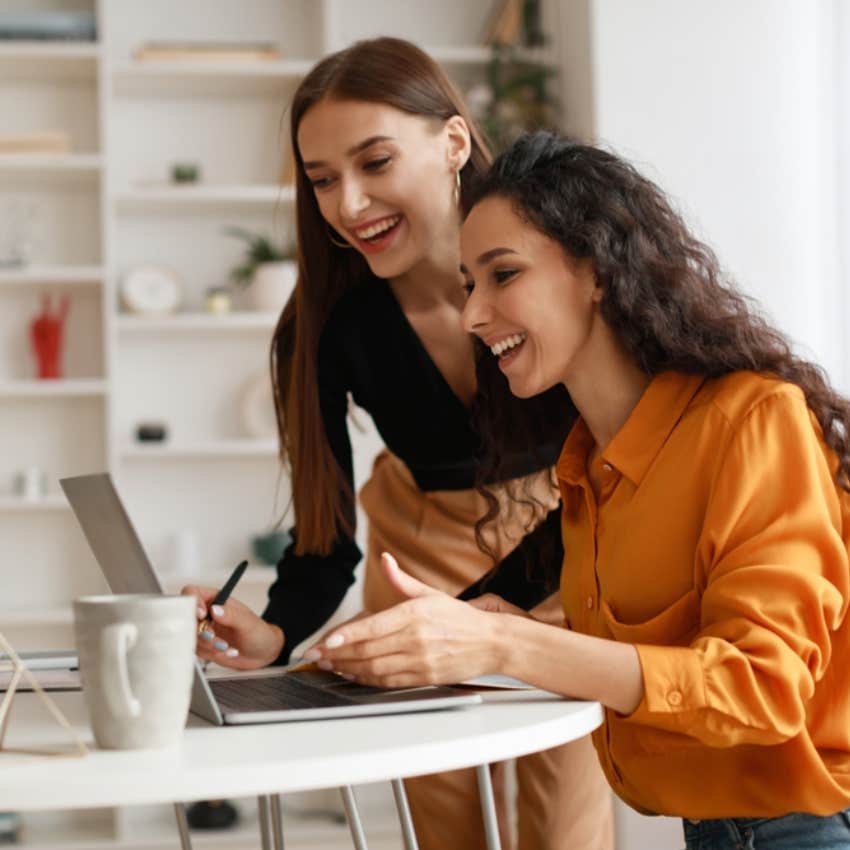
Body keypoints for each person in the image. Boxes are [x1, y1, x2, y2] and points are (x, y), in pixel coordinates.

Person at [304, 131, 850, 850]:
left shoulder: (751, 419)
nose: (472, 315)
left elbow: (762, 688)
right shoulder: (588, 468)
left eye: (503, 275)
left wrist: (505, 643)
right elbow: (660, 654)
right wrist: (499, 633)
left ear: (597, 271)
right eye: (470, 284)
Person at [183, 43, 612, 850]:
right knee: (445, 828)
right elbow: (325, 536)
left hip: (575, 541)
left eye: (375, 161)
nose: (348, 203)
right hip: (421, 564)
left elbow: (626, 457)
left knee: (567, 828)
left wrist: (508, 606)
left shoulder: (560, 268)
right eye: (320, 179)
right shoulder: (324, 331)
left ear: (454, 143)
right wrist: (275, 631)